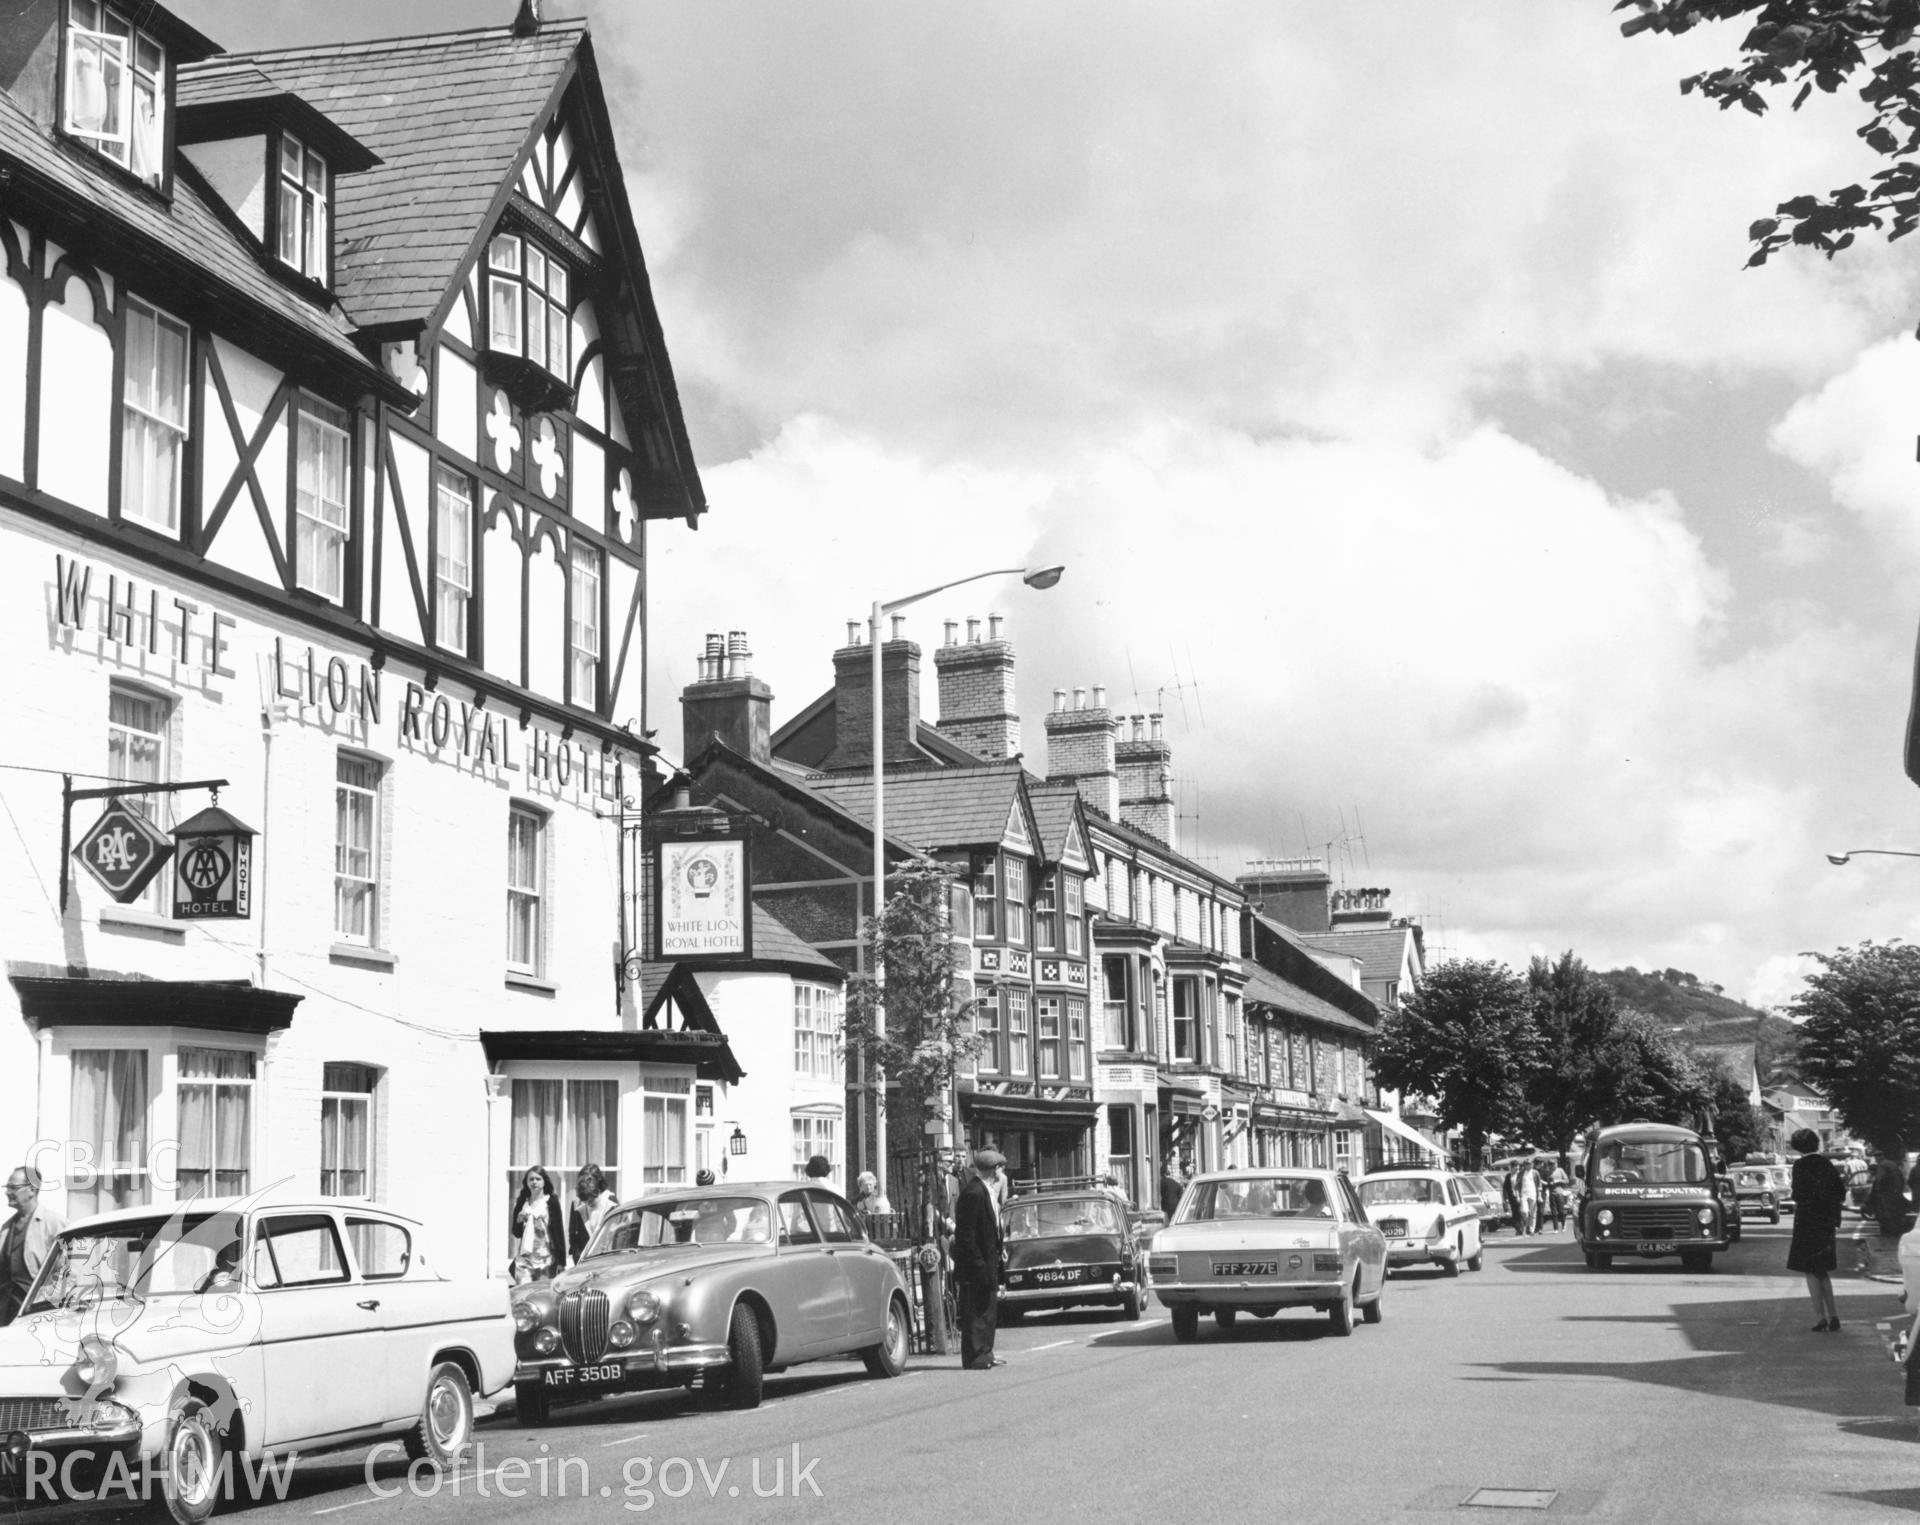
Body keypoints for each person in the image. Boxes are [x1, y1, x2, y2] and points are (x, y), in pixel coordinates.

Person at [953, 1148, 1007, 1370]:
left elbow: (991, 1228)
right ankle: (975, 1355)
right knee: (976, 1310)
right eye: (999, 1167)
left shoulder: (986, 1191)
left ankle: (986, 1351)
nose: (1001, 1171)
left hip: (988, 1259)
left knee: (988, 1308)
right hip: (977, 1264)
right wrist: (978, 1263)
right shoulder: (974, 1193)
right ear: (993, 1169)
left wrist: (998, 1248)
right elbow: (966, 1235)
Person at [1786, 1128, 1844, 1331]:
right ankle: (1834, 1314)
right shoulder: (1827, 1164)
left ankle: (1820, 1317)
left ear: (1797, 1147)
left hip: (1807, 1222)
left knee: (1810, 1270)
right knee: (1823, 1270)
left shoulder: (1800, 1165)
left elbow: (1797, 1193)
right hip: (1826, 1223)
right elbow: (1840, 1192)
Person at [0, 1166, 65, 1326]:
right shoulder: (6, 1228)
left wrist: (47, 1303)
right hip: (6, 1314)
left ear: (32, 1189)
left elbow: (70, 1271)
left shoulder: (54, 1224)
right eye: (7, 1187)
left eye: (13, 1187)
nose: (7, 1192)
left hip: (38, 1314)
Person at [510, 1166, 566, 1285]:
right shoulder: (522, 1202)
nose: (534, 1182)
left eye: (538, 1179)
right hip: (524, 1261)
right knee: (523, 1296)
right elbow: (516, 1233)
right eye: (531, 1179)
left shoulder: (551, 1202)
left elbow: (558, 1233)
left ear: (544, 1181)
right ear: (526, 1182)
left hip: (545, 1260)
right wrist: (519, 1221)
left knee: (542, 1296)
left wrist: (561, 1261)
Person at [568, 1163, 620, 1262]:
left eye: (591, 1200)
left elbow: (619, 1232)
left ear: (599, 1188)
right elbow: (573, 1236)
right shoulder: (578, 1204)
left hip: (606, 1258)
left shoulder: (611, 1202)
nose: (588, 1203)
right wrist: (577, 1258)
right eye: (585, 1201)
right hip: (584, 1261)